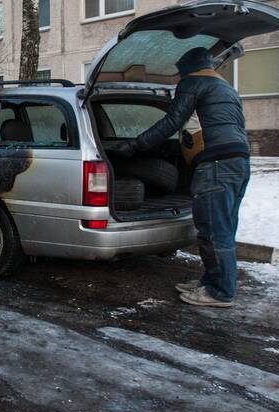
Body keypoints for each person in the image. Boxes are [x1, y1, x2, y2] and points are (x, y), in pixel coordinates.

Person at [107, 46, 250, 308]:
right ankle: (212, 281)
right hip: (238, 161)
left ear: (187, 69)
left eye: (180, 72)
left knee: (213, 230)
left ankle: (220, 292)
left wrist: (136, 145)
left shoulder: (193, 82)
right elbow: (231, 126)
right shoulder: (226, 88)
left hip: (216, 164)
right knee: (224, 226)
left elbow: (171, 122)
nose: (179, 76)